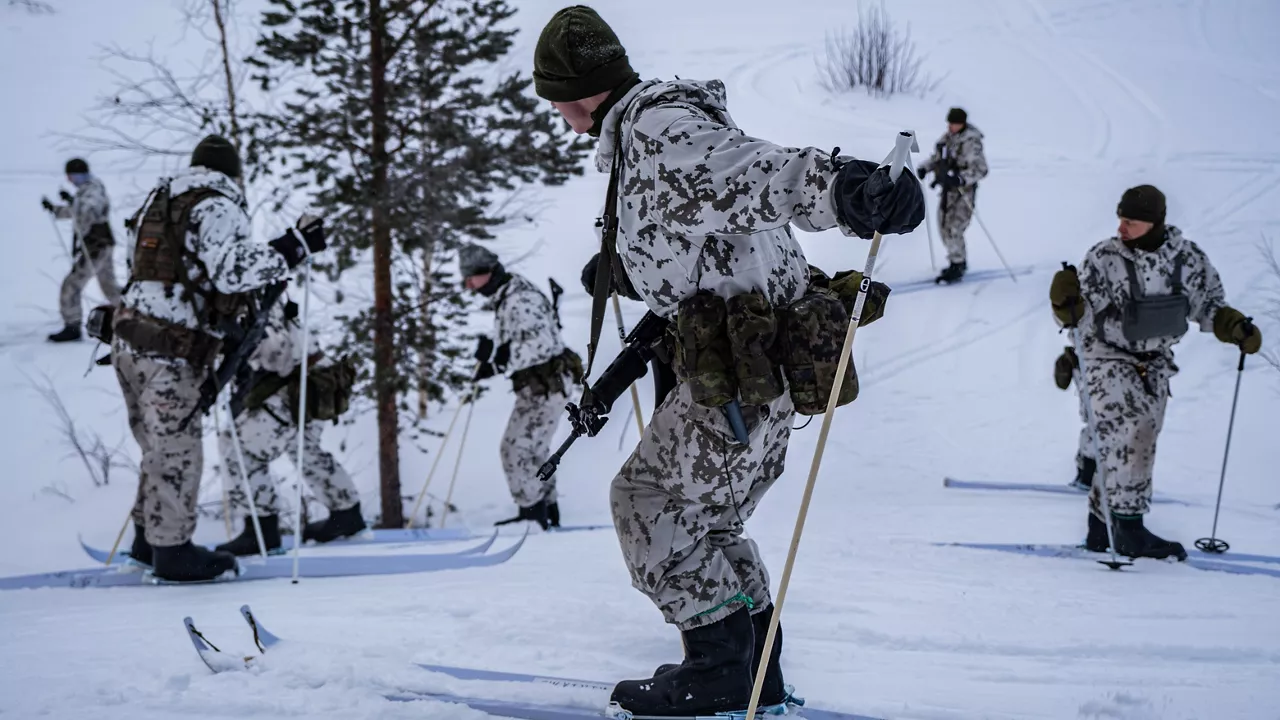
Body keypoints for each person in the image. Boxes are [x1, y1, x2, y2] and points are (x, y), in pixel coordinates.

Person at [531, 6, 924, 716]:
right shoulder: (649, 128)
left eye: (552, 98)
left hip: (745, 373)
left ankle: (716, 670)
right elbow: (706, 232)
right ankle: (755, 672)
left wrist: (846, 191)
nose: (554, 114)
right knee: (709, 523)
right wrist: (625, 269)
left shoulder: (655, 130)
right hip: (761, 368)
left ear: (573, 92)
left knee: (644, 501)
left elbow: (752, 177)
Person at [112, 134, 327, 582]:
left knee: (155, 447)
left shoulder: (161, 200)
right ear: (233, 172)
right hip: (170, 351)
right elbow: (231, 272)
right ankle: (172, 552)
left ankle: (147, 540)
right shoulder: (215, 204)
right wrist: (293, 248)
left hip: (129, 339)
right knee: (177, 450)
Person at [1049, 184, 1262, 561]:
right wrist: (1065, 300)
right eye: (1120, 219)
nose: (1121, 228)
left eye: (1130, 221)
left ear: (1154, 223)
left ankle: (1102, 527)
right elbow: (1077, 313)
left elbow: (1209, 305)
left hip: (1155, 362)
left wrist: (1234, 327)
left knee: (1132, 439)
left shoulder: (1187, 260)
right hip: (1105, 355)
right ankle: (1128, 528)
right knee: (1131, 432)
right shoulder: (1104, 257)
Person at [214, 290, 364, 556]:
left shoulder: (237, 291)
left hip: (293, 381)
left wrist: (231, 350)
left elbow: (276, 346)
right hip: (312, 374)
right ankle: (346, 513)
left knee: (239, 448)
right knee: (304, 448)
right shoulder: (250, 285)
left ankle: (261, 532)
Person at [458, 243, 582, 530]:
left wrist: (500, 361)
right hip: (541, 387)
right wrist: (493, 355)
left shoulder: (519, 298)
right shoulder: (509, 294)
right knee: (534, 450)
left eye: (470, 278)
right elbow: (522, 338)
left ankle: (531, 516)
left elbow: (542, 345)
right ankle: (546, 511)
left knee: (514, 450)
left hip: (545, 386)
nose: (468, 285)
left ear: (485, 272)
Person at [41, 158, 122, 342]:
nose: (69, 180)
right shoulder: (87, 190)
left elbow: (90, 211)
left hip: (95, 245)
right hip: (101, 244)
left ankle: (72, 325)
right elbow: (77, 211)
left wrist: (73, 202)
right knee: (109, 286)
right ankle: (133, 314)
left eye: (71, 176)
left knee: (71, 285)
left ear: (78, 174)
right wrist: (55, 209)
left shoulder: (92, 189)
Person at [917, 108, 988, 284]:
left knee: (956, 227)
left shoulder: (972, 141)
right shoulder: (947, 138)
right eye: (949, 123)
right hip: (947, 191)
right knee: (944, 226)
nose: (951, 126)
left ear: (962, 123)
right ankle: (954, 259)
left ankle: (958, 263)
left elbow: (981, 169)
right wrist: (925, 167)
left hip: (964, 191)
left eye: (954, 123)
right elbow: (937, 157)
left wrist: (960, 179)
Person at [1053, 345, 1096, 490]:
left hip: (1102, 356)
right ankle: (1087, 475)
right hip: (1093, 358)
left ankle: (1087, 473)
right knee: (1097, 422)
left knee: (1098, 422)